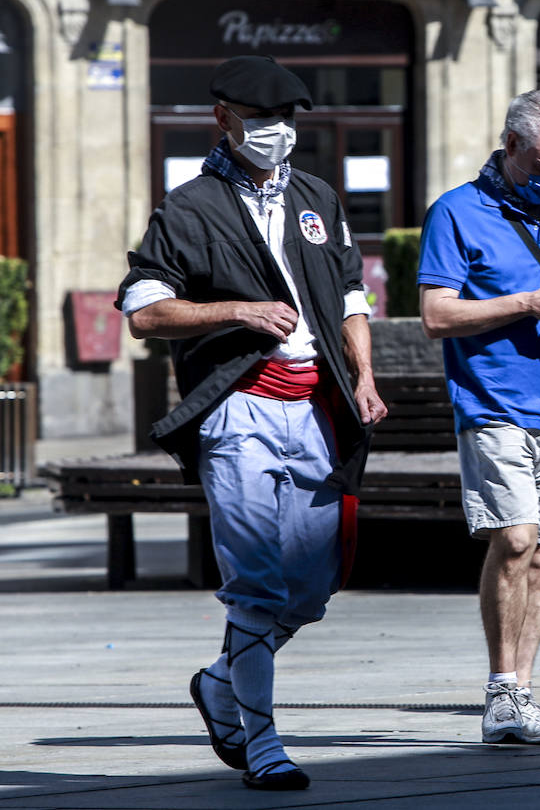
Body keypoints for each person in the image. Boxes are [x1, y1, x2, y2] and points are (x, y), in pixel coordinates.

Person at [118, 55, 387, 791]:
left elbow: (351, 296)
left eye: (288, 120)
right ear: (224, 119)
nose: (277, 133)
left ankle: (217, 680)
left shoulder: (318, 196)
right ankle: (262, 743)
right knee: (256, 584)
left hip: (316, 407)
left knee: (312, 585)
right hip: (238, 409)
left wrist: (362, 376)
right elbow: (144, 312)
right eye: (262, 121)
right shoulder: (190, 206)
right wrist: (237, 310)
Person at [417, 89, 540, 745]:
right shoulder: (456, 212)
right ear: (510, 146)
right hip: (493, 402)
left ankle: (523, 695)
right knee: (517, 538)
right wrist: (525, 302)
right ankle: (501, 691)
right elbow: (436, 316)